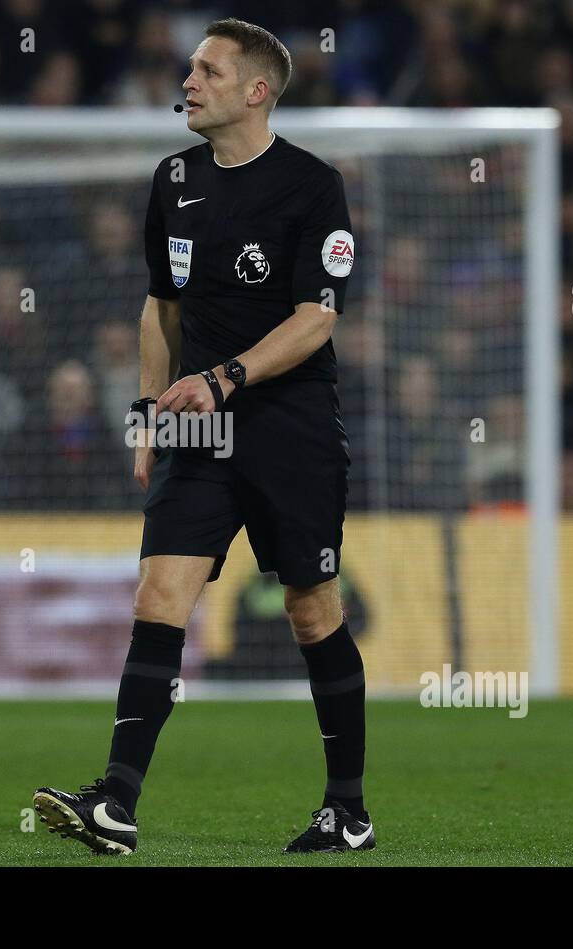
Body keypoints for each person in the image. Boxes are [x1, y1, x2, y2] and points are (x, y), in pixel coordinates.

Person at [33, 18, 371, 855]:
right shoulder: (172, 179)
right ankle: (115, 801)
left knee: (311, 609)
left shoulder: (312, 186)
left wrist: (226, 378)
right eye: (190, 67)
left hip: (288, 427)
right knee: (158, 595)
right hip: (199, 427)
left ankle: (347, 811)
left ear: (256, 92)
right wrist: (150, 408)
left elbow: (316, 319)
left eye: (208, 71)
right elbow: (162, 308)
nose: (188, 81)